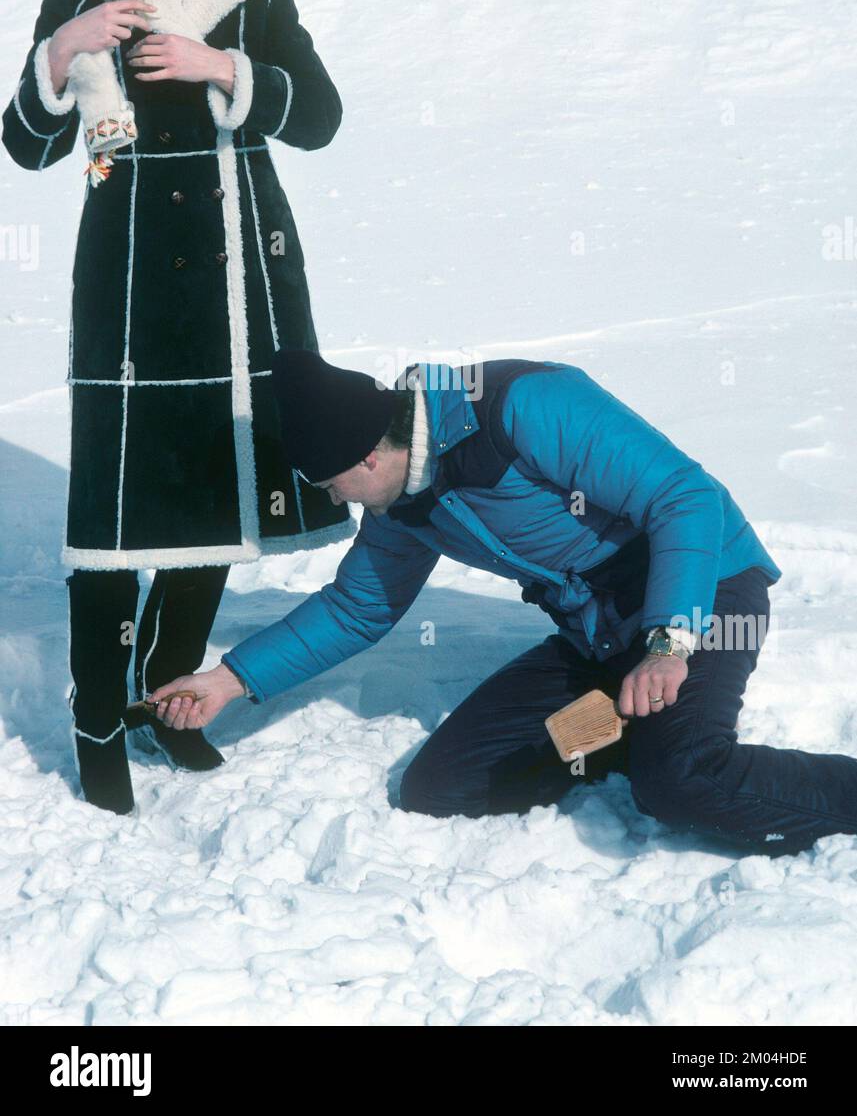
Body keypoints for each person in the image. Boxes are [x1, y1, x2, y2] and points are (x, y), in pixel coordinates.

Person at [147, 349, 857, 858]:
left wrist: (669, 645)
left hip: (704, 593)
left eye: (331, 484)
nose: (333, 499)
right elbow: (357, 608)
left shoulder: (523, 405)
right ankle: (625, 726)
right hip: (599, 638)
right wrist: (228, 682)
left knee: (681, 780)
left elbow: (685, 498)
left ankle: (682, 750)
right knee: (448, 783)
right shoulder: (402, 503)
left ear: (367, 456)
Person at [1, 0, 355, 816]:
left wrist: (224, 69)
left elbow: (322, 118)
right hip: (129, 285)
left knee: (216, 495)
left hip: (244, 272)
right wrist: (63, 49)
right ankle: (97, 714)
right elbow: (25, 147)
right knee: (114, 523)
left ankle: (166, 698)